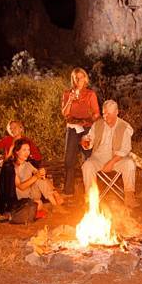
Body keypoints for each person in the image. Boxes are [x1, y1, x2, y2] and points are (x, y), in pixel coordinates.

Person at [81, 100, 139, 208]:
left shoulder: (124, 127)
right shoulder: (97, 125)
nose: (105, 116)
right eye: (104, 113)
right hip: (98, 158)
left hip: (117, 159)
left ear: (116, 112)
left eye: (109, 114)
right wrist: (85, 142)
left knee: (130, 164)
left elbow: (125, 150)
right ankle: (90, 198)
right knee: (87, 166)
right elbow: (89, 141)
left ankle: (130, 196)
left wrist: (111, 162)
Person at [61, 67, 100, 196]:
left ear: (85, 78)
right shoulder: (67, 94)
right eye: (76, 77)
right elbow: (65, 114)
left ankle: (91, 190)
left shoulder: (90, 94)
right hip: (72, 128)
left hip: (86, 128)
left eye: (81, 77)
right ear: (73, 79)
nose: (79, 80)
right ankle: (68, 191)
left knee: (88, 158)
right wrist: (70, 100)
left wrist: (88, 119)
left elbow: (97, 113)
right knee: (69, 160)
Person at [9, 138, 65, 216]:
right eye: (24, 150)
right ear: (17, 151)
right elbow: (21, 187)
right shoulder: (12, 167)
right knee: (39, 203)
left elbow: (40, 177)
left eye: (28, 150)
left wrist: (42, 174)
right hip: (21, 199)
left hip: (31, 194)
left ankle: (56, 205)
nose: (27, 152)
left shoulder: (27, 164)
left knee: (40, 179)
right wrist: (36, 176)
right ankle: (53, 206)